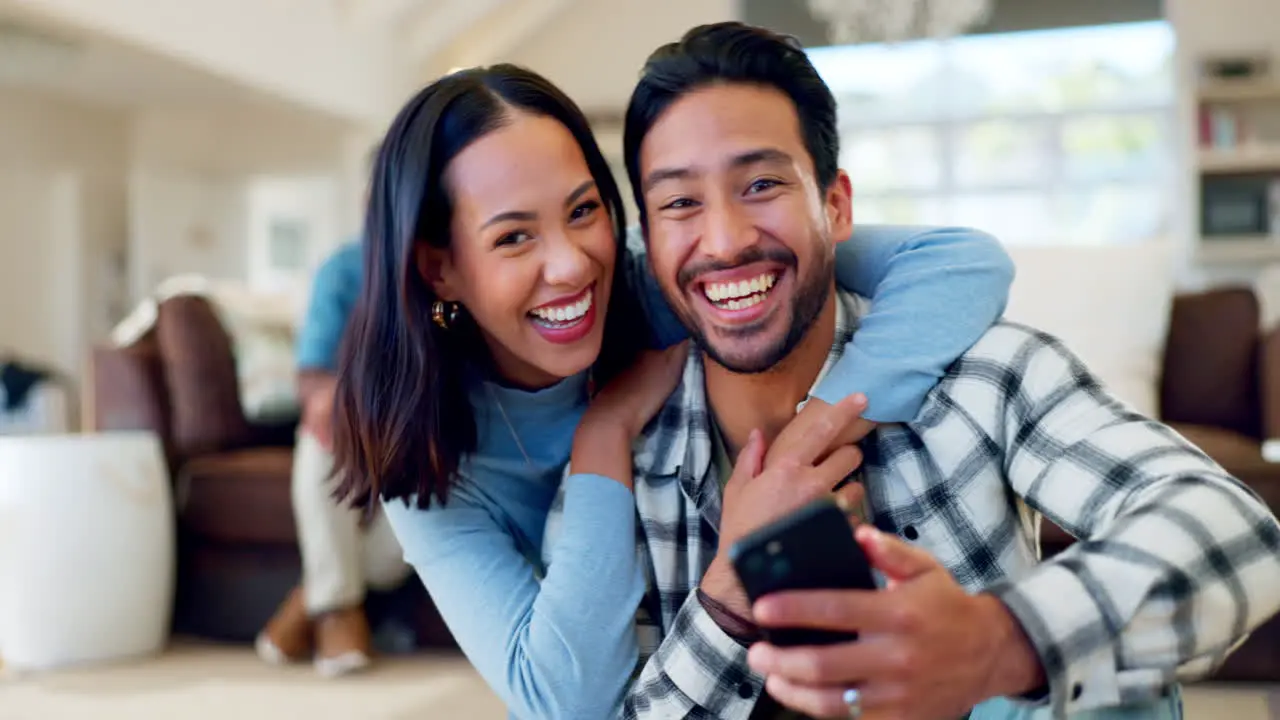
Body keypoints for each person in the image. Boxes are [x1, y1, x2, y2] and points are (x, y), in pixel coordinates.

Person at [561, 21, 1280, 719]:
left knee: (1118, 690)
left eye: (761, 185)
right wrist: (727, 593)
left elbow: (1237, 532)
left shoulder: (984, 375)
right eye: (680, 203)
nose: (724, 240)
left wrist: (999, 643)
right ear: (646, 244)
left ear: (835, 206)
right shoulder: (619, 464)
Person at [329, 63, 1015, 720]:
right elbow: (562, 701)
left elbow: (960, 261)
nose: (571, 265)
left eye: (583, 210)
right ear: (440, 268)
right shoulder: (424, 457)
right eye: (513, 237)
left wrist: (820, 426)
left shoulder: (663, 280)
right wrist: (605, 434)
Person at [255, 233, 411, 677]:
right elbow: (314, 376)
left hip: (421, 430)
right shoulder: (343, 269)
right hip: (349, 424)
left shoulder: (451, 268)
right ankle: (338, 611)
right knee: (320, 428)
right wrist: (339, 411)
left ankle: (314, 594)